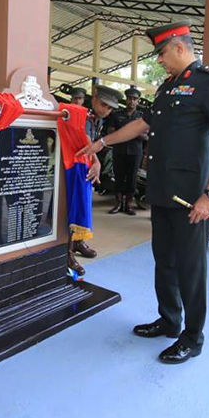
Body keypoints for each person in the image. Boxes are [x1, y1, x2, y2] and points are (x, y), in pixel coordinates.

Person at [78, 21, 209, 364]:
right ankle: (169, 320)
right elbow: (142, 124)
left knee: (191, 268)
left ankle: (192, 337)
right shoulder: (168, 87)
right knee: (164, 261)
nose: (160, 61)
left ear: (180, 47)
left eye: (162, 53)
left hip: (192, 197)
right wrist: (101, 142)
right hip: (163, 192)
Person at [67, 85, 122, 276]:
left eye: (109, 108)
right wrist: (96, 161)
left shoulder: (96, 119)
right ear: (95, 99)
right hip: (71, 167)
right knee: (71, 207)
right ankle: (66, 252)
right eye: (104, 104)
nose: (106, 110)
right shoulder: (82, 115)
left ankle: (77, 241)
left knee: (83, 205)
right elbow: (83, 142)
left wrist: (94, 161)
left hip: (84, 166)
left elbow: (93, 140)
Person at [105, 87, 145, 215]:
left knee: (132, 179)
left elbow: (147, 136)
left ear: (138, 101)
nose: (131, 101)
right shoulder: (117, 115)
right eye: (129, 98)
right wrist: (129, 132)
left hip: (135, 152)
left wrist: (132, 133)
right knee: (118, 178)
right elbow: (110, 131)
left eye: (134, 99)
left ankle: (128, 205)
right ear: (126, 99)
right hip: (119, 151)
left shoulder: (142, 117)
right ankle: (118, 204)